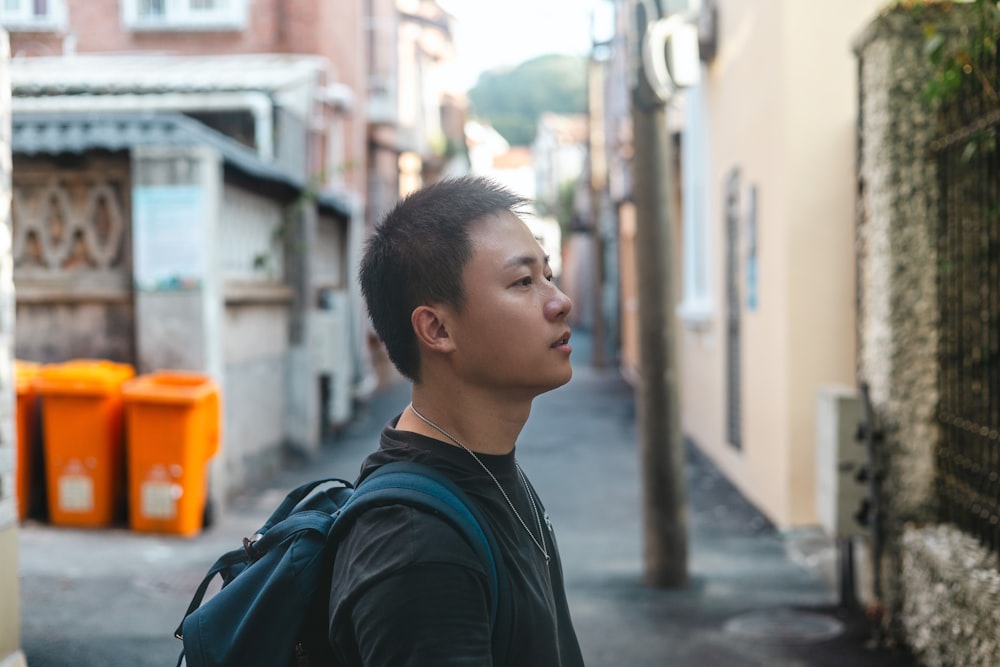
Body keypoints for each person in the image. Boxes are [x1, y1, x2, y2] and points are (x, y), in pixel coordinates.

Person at [327, 176, 585, 666]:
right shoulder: (418, 549)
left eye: (548, 275)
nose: (559, 300)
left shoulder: (485, 463)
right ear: (437, 328)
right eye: (523, 281)